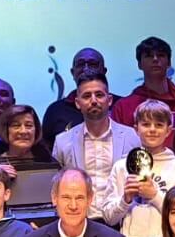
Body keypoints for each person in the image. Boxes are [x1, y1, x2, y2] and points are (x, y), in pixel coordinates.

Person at [99, 100, 175, 237]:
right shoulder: (121, 167)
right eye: (146, 124)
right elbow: (109, 218)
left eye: (158, 125)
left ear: (168, 130)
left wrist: (154, 196)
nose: (152, 130)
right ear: (136, 129)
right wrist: (125, 199)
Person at [50, 72, 139, 224]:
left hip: (124, 223)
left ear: (109, 100)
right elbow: (56, 188)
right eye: (86, 96)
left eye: (99, 95)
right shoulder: (62, 141)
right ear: (77, 103)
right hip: (79, 224)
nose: (93, 101)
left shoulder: (132, 137)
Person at [111, 36, 175, 127]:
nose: (155, 59)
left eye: (160, 55)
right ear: (139, 64)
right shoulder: (123, 107)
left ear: (169, 63)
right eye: (149, 56)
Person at [40, 48, 110, 142]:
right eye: (80, 64)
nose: (86, 69)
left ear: (104, 71)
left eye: (92, 64)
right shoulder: (55, 110)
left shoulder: (119, 106)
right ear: (72, 72)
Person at [0, 104, 58, 170]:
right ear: (5, 130)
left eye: (28, 126)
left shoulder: (48, 160)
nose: (23, 131)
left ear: (36, 130)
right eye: (16, 125)